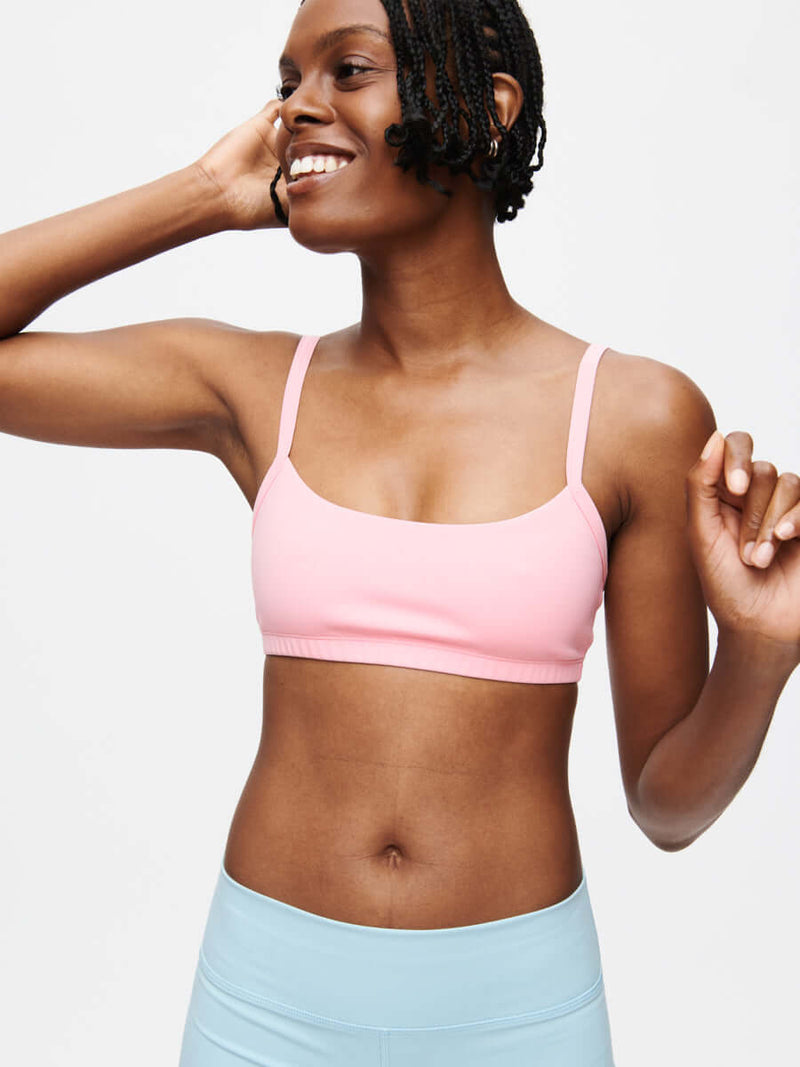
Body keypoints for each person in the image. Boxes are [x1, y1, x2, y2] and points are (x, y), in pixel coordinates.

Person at [1, 0, 798, 1063]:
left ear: (490, 109)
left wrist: (755, 652)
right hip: (262, 1000)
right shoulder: (250, 386)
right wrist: (200, 195)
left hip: (515, 1011)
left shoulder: (632, 415)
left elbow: (667, 804)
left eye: (349, 70)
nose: (296, 110)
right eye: (287, 81)